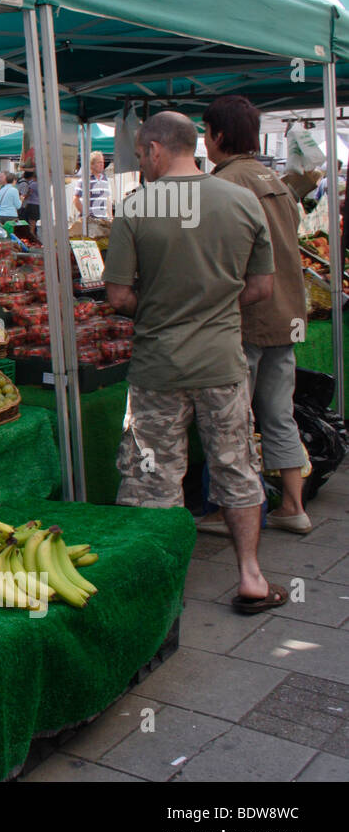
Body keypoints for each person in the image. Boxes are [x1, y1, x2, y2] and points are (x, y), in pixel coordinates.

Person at [103, 111, 282, 614]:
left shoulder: (136, 208)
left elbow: (118, 296)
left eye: (140, 154)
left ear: (156, 150)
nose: (140, 163)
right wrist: (215, 304)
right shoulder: (243, 201)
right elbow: (263, 287)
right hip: (222, 363)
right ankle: (250, 576)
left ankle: (159, 590)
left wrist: (160, 304)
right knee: (238, 468)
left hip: (157, 368)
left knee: (150, 478)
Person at [193, 97, 310, 537]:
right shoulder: (270, 176)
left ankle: (229, 512)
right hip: (286, 313)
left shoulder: (226, 183)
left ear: (218, 135)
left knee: (233, 420)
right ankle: (294, 506)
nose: (204, 140)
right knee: (280, 413)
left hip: (247, 316)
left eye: (205, 131)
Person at [73, 151, 112, 221]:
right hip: (89, 222)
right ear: (92, 165)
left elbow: (107, 199)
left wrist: (110, 216)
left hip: (103, 220)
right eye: (99, 162)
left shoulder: (105, 180)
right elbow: (76, 199)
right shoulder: (84, 180)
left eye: (102, 162)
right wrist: (86, 215)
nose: (102, 164)